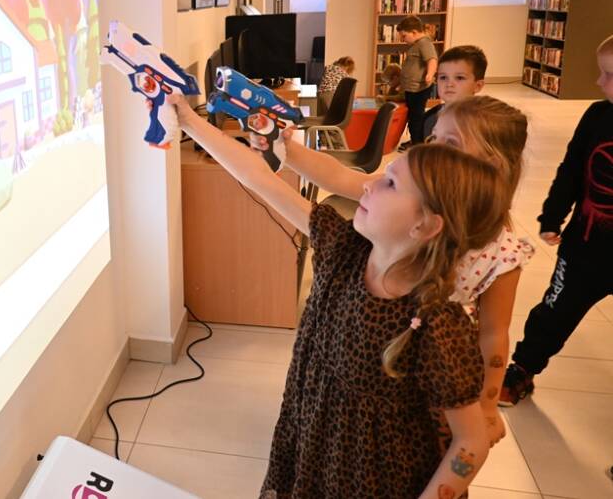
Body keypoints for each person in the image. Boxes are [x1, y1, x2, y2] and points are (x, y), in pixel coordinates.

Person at [168, 94, 508, 499]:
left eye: (389, 183)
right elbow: (257, 177)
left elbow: (471, 441)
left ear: (425, 225)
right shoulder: (342, 248)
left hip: (377, 481)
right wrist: (188, 120)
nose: (368, 184)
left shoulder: (436, 323)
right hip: (311, 442)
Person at [257, 95, 532, 447]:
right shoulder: (411, 191)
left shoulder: (500, 252)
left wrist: (488, 407)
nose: (433, 149)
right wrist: (287, 148)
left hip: (428, 374)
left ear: (490, 165)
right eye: (434, 138)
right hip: (368, 346)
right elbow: (340, 177)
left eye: (450, 143)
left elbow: (494, 335)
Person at [501, 35, 613, 406]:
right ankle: (522, 369)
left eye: (609, 75)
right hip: (585, 249)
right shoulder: (598, 116)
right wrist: (552, 215)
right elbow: (572, 169)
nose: (599, 82)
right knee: (555, 311)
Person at [420, 45, 488, 142]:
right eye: (443, 77)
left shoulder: (485, 123)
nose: (449, 84)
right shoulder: (429, 118)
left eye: (459, 78)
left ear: (478, 86)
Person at [397, 16, 438, 151]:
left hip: (419, 89)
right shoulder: (415, 45)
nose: (403, 39)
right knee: (412, 116)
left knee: (416, 117)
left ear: (414, 32)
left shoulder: (424, 43)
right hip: (411, 88)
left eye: (404, 36)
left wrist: (430, 74)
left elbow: (432, 59)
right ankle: (415, 140)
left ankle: (417, 143)